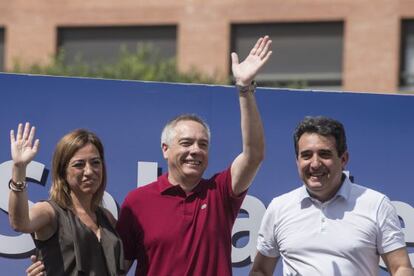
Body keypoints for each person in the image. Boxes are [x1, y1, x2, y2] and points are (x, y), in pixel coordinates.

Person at [25, 35, 272, 276]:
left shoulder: (220, 193)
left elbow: (254, 155)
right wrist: (55, 266)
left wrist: (244, 90)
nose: (195, 150)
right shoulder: (138, 202)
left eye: (203, 144)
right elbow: (113, 267)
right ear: (165, 149)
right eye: (186, 143)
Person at [249, 116, 414, 276]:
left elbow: (401, 268)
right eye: (306, 155)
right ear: (297, 161)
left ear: (343, 159)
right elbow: (260, 271)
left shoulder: (376, 204)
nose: (315, 164)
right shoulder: (279, 207)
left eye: (324, 154)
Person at [9, 123, 125, 275]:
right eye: (79, 164)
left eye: (95, 162)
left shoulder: (107, 218)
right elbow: (20, 223)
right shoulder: (50, 211)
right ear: (63, 171)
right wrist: (19, 167)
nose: (89, 171)